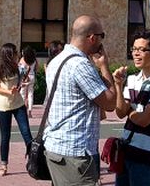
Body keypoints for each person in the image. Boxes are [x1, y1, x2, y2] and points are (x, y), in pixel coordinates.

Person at [43, 15, 116, 186]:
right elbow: (110, 103)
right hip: (75, 153)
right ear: (92, 38)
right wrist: (104, 66)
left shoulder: (57, 61)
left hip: (55, 148)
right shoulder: (80, 65)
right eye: (102, 36)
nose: (101, 42)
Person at [112, 31, 150, 186]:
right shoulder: (132, 79)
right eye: (133, 49)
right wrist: (118, 86)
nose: (136, 54)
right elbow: (120, 112)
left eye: (141, 50)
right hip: (126, 153)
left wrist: (129, 110)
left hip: (147, 158)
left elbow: (144, 120)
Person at [0, 43, 33, 177]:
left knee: (26, 132)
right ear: (8, 54)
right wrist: (8, 91)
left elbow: (20, 82)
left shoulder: (17, 67)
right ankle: (4, 165)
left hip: (18, 104)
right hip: (3, 107)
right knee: (5, 136)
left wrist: (22, 85)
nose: (17, 54)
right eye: (15, 52)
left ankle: (34, 161)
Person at [18, 45, 38, 118]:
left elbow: (20, 70)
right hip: (32, 76)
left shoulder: (22, 59)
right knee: (30, 94)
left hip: (25, 78)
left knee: (22, 94)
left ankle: (23, 111)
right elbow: (36, 69)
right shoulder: (34, 60)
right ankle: (30, 112)